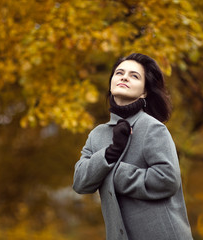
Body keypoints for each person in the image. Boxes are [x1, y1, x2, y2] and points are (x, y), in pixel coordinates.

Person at [73, 53, 193, 240]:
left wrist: (116, 175)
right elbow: (80, 182)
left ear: (144, 92)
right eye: (119, 73)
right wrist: (109, 154)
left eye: (134, 75)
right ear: (112, 82)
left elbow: (168, 179)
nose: (124, 77)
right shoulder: (97, 135)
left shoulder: (153, 128)